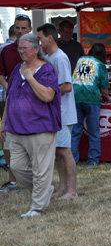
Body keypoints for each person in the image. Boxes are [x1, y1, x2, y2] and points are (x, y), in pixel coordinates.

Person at [0, 33, 61, 217]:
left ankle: (37, 207)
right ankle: (42, 191)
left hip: (40, 127)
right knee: (16, 167)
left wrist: (31, 78)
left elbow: (48, 96)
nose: (21, 51)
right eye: (19, 48)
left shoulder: (47, 70)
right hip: (16, 128)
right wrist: (3, 123)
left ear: (36, 49)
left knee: (41, 169)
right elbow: (10, 97)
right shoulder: (17, 69)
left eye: (25, 48)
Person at [37, 23, 78, 199]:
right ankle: (62, 188)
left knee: (64, 151)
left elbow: (68, 86)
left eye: (40, 39)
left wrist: (48, 91)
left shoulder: (60, 58)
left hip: (63, 113)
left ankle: (72, 190)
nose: (39, 43)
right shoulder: (51, 57)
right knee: (58, 151)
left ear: (50, 38)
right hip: (55, 113)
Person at [0, 14, 32, 195]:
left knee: (31, 140)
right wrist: (10, 88)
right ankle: (12, 181)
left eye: (24, 28)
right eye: (18, 28)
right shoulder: (6, 51)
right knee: (8, 140)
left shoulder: (37, 50)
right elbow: (1, 74)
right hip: (10, 102)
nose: (20, 31)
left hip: (32, 103)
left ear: (30, 29)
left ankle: (32, 179)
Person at [71, 43, 111, 166]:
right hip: (91, 99)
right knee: (93, 131)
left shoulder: (81, 59)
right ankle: (93, 160)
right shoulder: (100, 65)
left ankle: (72, 160)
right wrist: (108, 97)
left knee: (75, 132)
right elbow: (104, 89)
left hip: (75, 97)